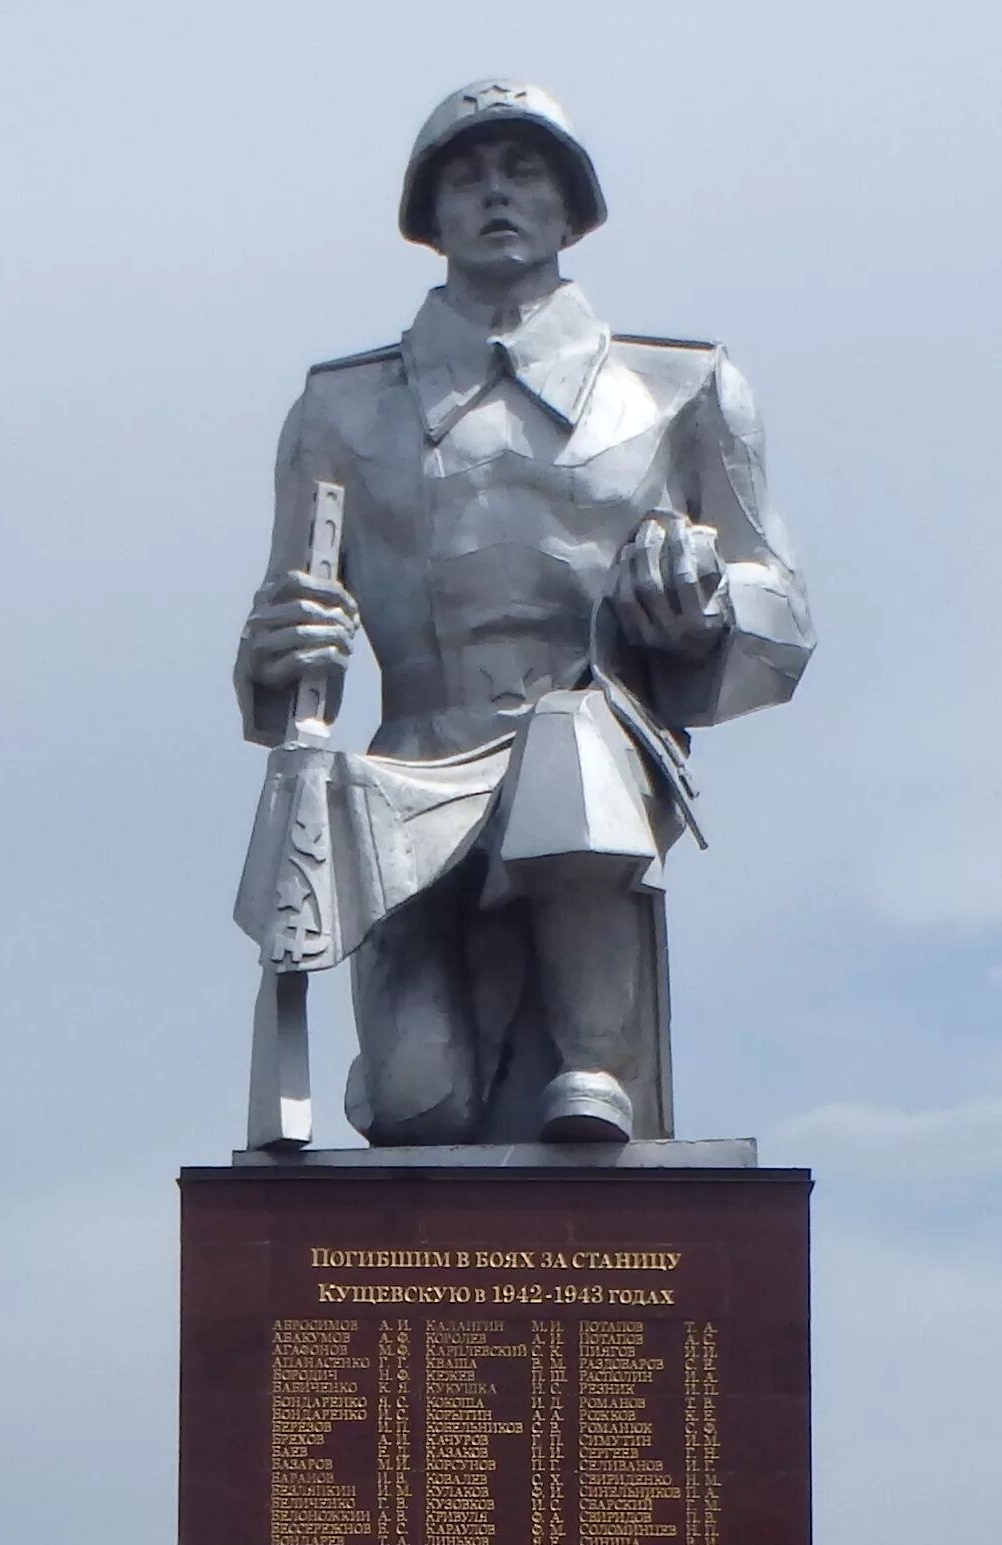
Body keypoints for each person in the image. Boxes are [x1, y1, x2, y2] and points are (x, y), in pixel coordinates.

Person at [233, 81, 811, 1148]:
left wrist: (703, 599)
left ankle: (595, 1060)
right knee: (419, 1105)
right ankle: (424, 1072)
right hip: (404, 779)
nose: (494, 192)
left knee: (568, 735)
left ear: (570, 205)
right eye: (465, 174)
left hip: (594, 753)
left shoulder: (680, 390)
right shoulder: (341, 409)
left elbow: (779, 609)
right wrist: (275, 653)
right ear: (429, 214)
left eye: (523, 169)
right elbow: (283, 654)